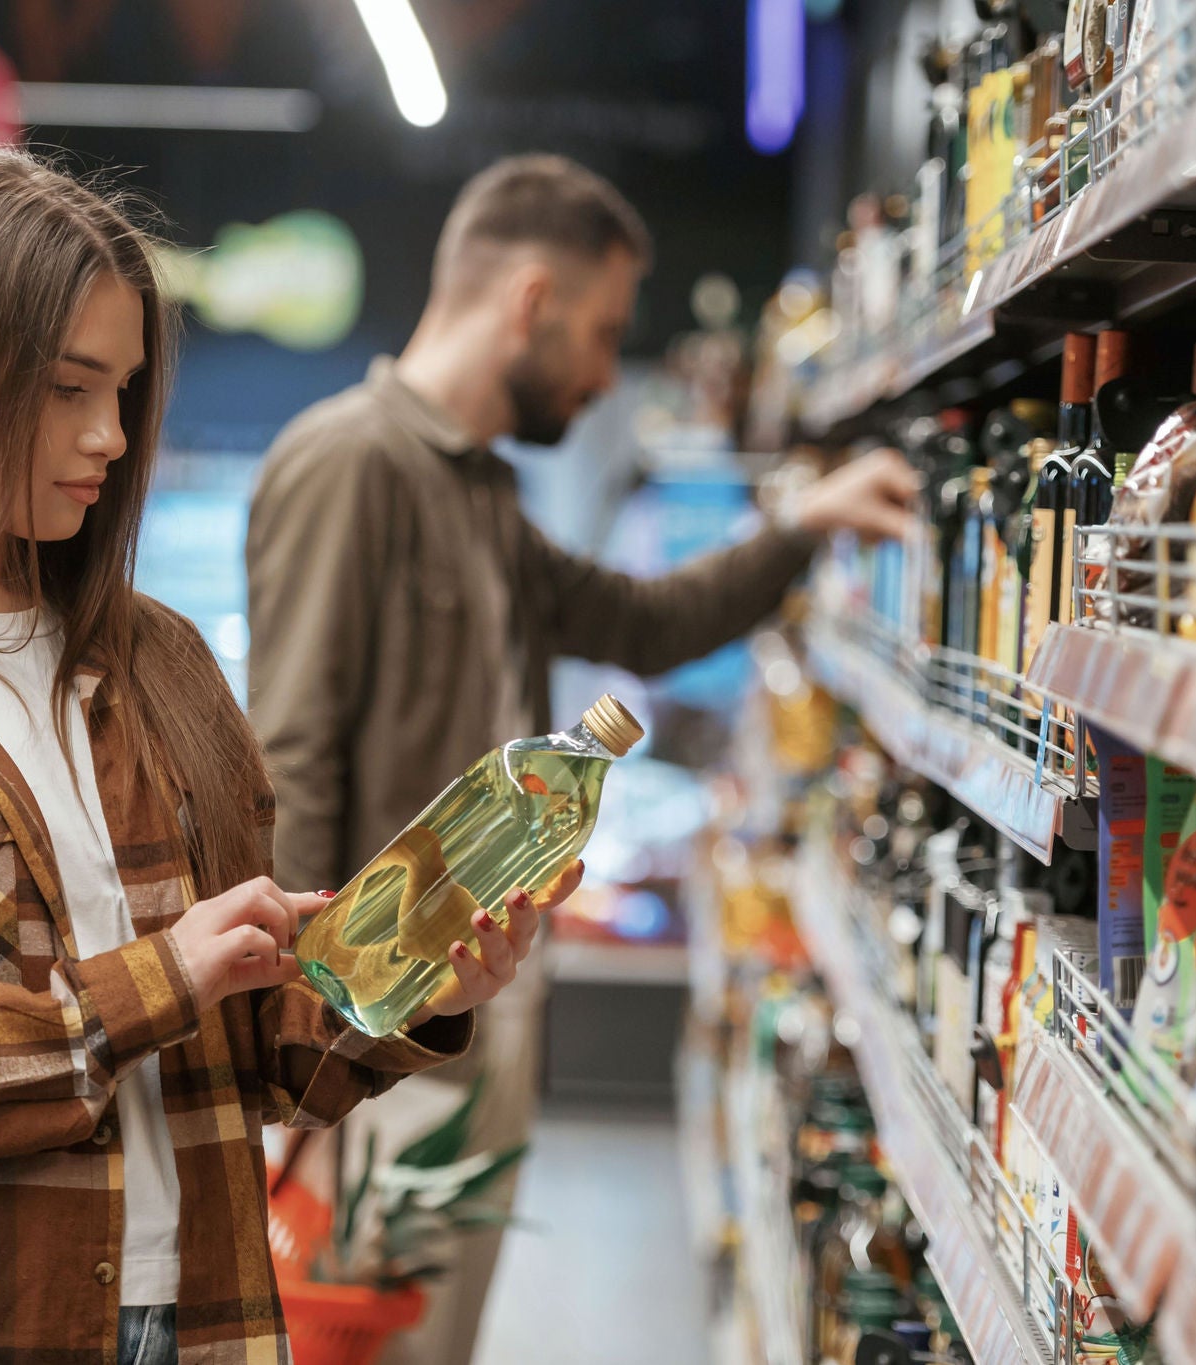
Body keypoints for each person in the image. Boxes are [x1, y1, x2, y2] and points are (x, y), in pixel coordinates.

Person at [0, 145, 572, 1365]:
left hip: (203, 1322)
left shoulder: (158, 662)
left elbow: (248, 1046)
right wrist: (146, 986)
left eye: (126, 391)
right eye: (67, 389)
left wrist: (412, 994)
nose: (111, 438)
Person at [246, 153, 917, 1364]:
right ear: (530, 297)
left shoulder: (482, 492)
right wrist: (307, 1073)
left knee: (431, 1344)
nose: (609, 371)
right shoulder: (347, 462)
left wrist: (802, 524)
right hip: (375, 1050)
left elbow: (642, 624)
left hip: (469, 1021)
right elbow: (287, 763)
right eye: (603, 331)